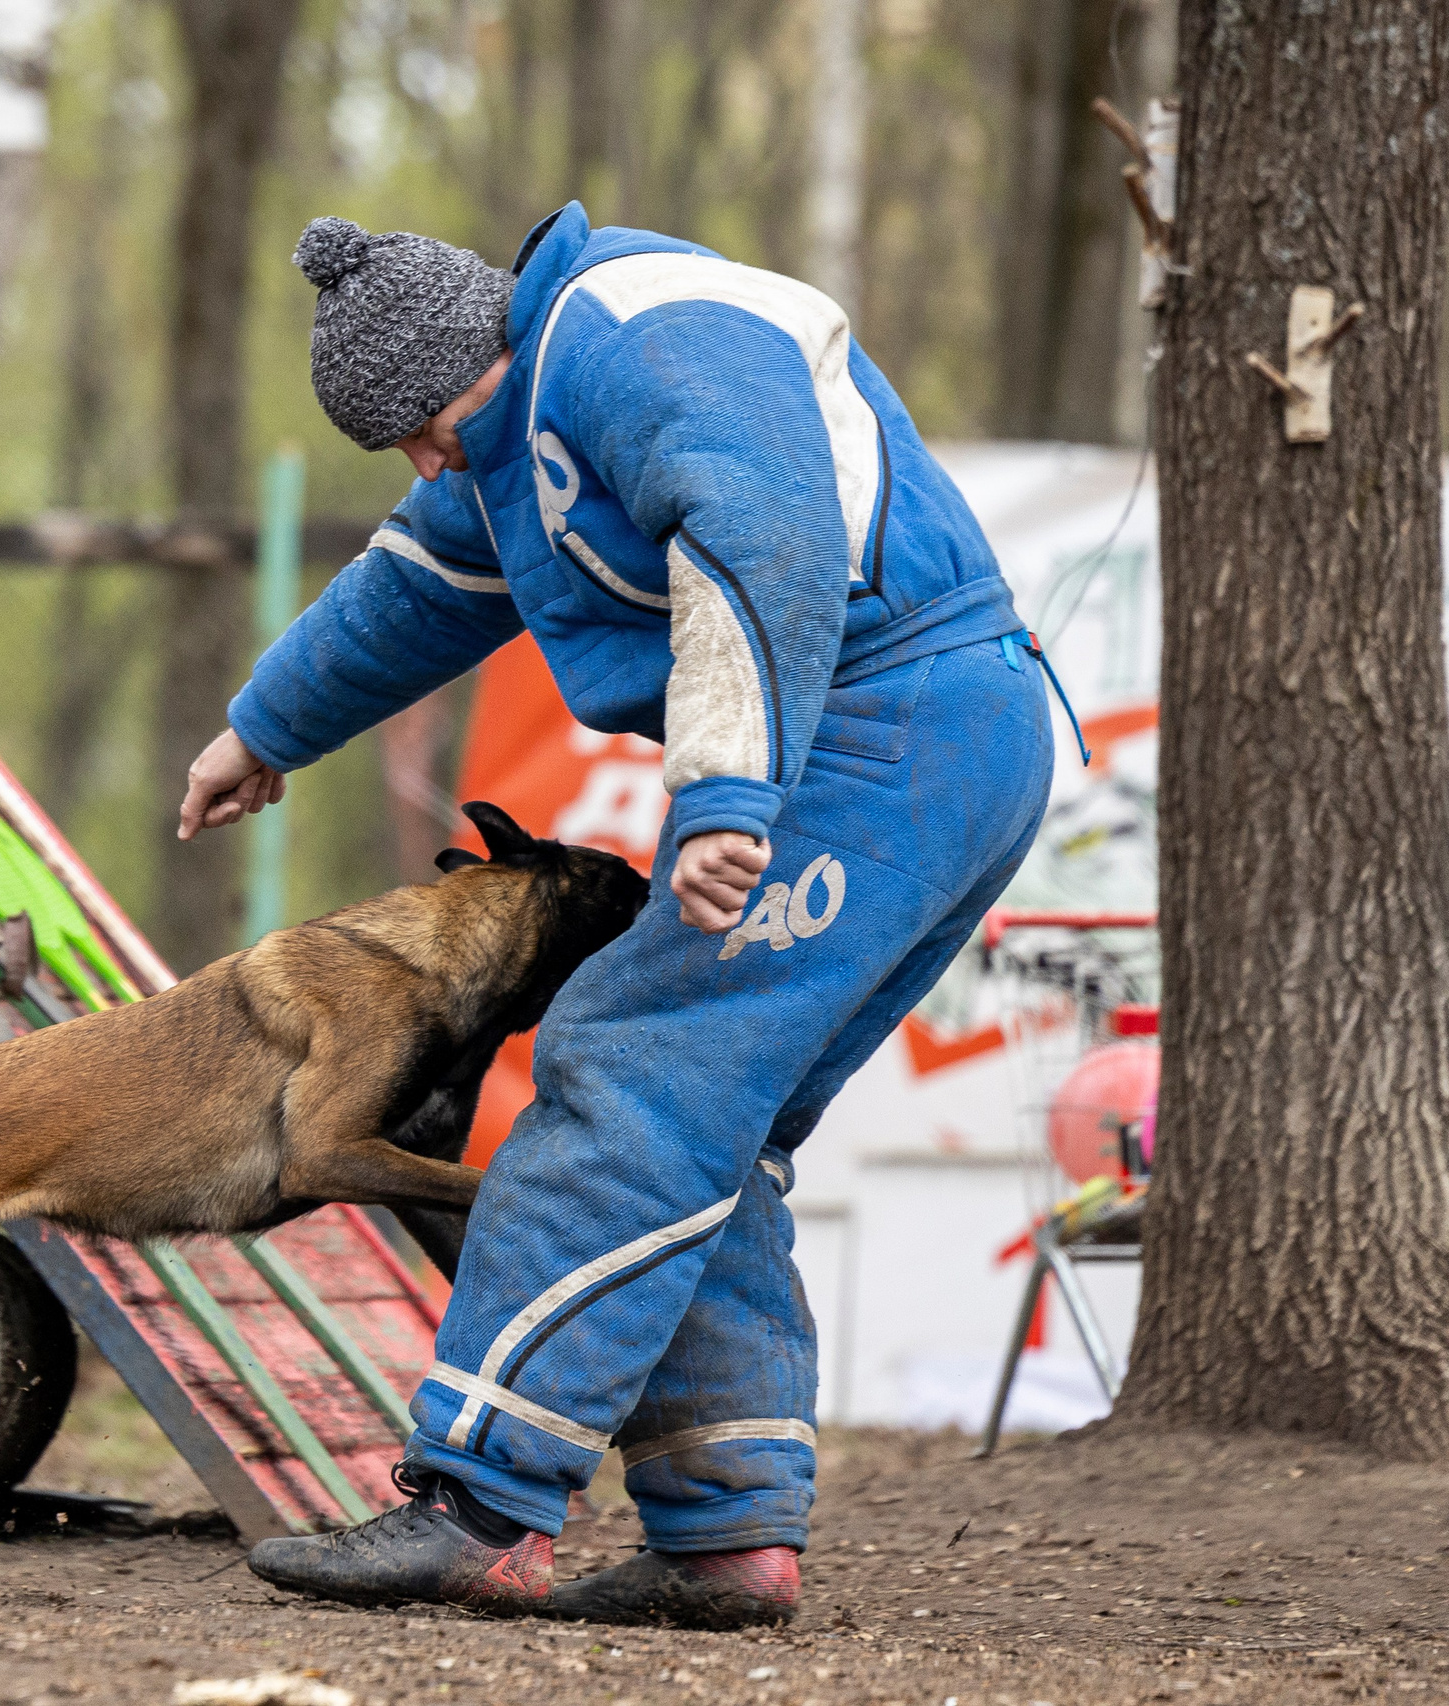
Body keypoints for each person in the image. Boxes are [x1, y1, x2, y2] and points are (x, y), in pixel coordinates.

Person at [178, 208, 1056, 1628]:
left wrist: (723, 798)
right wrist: (263, 731)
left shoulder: (644, 340)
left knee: (627, 1072)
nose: (423, 460)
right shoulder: (515, 405)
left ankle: (476, 1503)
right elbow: (417, 585)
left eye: (422, 428)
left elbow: (759, 544)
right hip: (916, 740)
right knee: (707, 1118)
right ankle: (726, 1535)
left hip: (891, 733)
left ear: (477, 354)